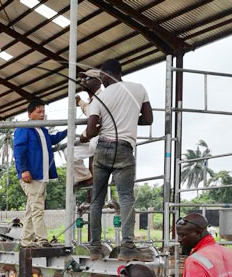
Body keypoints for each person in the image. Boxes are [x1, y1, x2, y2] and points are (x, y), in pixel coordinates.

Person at [80, 59, 153, 261]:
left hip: (103, 149)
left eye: (101, 76)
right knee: (126, 198)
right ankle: (128, 247)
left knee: (97, 199)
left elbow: (91, 129)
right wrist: (129, 118)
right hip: (124, 149)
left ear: (106, 75)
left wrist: (84, 137)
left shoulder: (99, 98)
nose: (100, 79)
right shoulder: (138, 89)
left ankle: (95, 247)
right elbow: (148, 119)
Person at [13, 99, 67, 247]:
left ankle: (26, 240)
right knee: (37, 208)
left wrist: (69, 130)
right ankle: (42, 240)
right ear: (30, 114)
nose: (42, 114)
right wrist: (23, 169)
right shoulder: (24, 128)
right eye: (39, 111)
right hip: (31, 176)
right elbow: (18, 150)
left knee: (32, 210)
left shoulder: (42, 130)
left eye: (43, 111)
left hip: (42, 176)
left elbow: (52, 139)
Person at [73, 70, 102, 186]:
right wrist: (80, 102)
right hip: (94, 141)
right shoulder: (93, 100)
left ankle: (107, 173)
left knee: (94, 143)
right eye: (82, 79)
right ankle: (85, 177)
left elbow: (99, 123)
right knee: (69, 152)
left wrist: (86, 135)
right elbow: (89, 111)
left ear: (98, 82)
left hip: (105, 139)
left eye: (87, 79)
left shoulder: (103, 98)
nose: (83, 81)